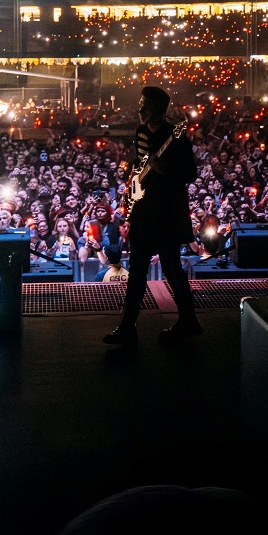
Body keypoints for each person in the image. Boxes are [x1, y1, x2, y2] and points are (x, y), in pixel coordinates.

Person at [104, 87, 201, 345]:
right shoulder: (141, 132)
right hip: (145, 211)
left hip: (167, 212)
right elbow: (139, 165)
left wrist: (165, 170)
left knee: (171, 267)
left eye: (144, 107)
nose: (139, 111)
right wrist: (131, 189)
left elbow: (190, 174)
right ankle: (128, 326)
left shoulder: (176, 137)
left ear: (157, 111)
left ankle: (187, 320)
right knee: (137, 269)